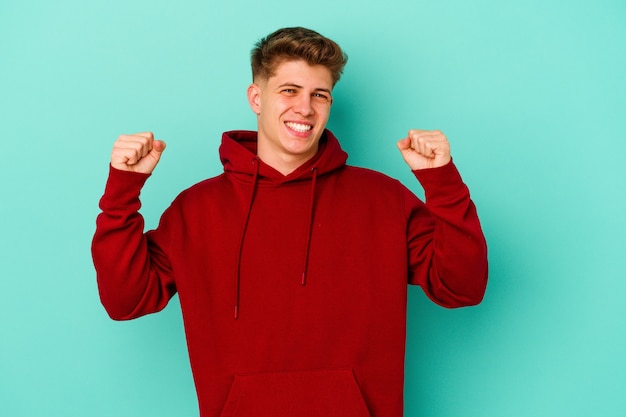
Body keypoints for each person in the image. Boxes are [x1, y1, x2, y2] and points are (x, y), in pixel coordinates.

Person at [92, 27, 488, 417]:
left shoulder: (383, 199)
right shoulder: (196, 209)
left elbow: (461, 287)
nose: (305, 108)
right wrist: (121, 194)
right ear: (256, 97)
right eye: (289, 91)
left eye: (320, 95)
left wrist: (443, 183)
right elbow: (126, 300)